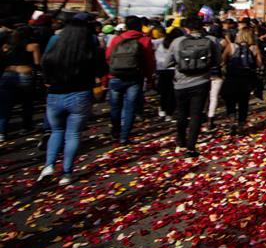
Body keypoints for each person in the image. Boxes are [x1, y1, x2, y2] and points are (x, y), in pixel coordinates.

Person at [38, 13, 103, 185]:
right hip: (80, 94)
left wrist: (48, 82)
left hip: (55, 94)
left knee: (56, 131)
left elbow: (44, 64)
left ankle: (49, 165)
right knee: (73, 134)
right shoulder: (90, 47)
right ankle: (66, 173)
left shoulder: (55, 43)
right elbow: (101, 70)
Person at [167, 16, 221, 158]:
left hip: (180, 83)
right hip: (202, 82)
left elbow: (168, 62)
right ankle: (191, 147)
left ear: (187, 28)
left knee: (182, 113)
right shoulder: (212, 41)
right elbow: (217, 61)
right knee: (196, 114)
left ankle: (181, 140)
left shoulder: (177, 42)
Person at [105, 16, 155, 143]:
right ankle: (124, 136)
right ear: (140, 26)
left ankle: (115, 130)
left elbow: (108, 56)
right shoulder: (145, 40)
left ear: (126, 26)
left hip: (115, 76)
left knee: (115, 106)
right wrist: (149, 78)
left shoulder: (117, 38)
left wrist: (108, 74)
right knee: (130, 107)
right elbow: (149, 62)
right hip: (135, 77)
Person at [0, 26, 42, 141]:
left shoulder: (6, 47)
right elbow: (37, 63)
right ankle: (27, 126)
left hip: (7, 75)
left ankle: (2, 132)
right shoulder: (33, 46)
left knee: (5, 105)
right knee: (27, 102)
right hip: (25, 74)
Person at [221, 27, 261, 135]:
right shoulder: (254, 48)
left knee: (230, 101)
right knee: (243, 103)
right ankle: (241, 126)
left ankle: (232, 121)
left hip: (231, 78)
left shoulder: (231, 46)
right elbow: (259, 64)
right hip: (246, 80)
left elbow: (223, 60)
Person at [154, 27, 183, 119]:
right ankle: (169, 113)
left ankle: (162, 109)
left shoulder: (161, 41)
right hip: (174, 69)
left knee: (163, 91)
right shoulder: (179, 43)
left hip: (161, 68)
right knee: (172, 92)